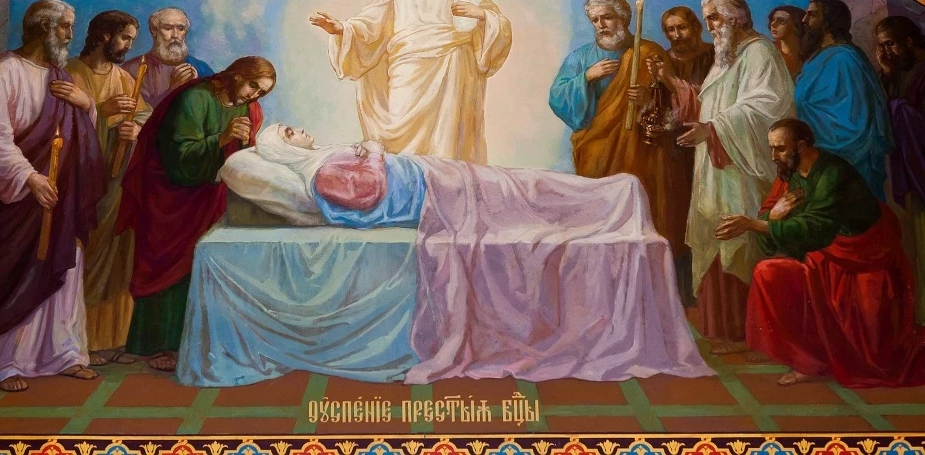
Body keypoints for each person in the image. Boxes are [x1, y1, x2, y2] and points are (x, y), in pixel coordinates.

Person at [243, 122, 713, 383]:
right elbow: (367, 194)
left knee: (527, 189)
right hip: (441, 195)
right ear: (284, 148)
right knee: (526, 195)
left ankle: (613, 195)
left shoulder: (326, 159)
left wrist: (370, 151)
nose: (299, 129)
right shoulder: (321, 172)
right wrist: (373, 151)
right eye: (289, 131)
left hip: (440, 181)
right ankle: (612, 196)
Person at [0, 0, 105, 392]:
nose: (70, 35)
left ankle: (63, 353)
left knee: (63, 268)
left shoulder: (60, 75)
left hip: (58, 195)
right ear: (43, 28)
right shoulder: (2, 71)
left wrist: (86, 104)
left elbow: (78, 132)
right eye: (65, 27)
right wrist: (28, 177)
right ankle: (1, 362)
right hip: (13, 200)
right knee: (9, 277)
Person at [717, 118, 925, 387]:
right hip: (822, 258)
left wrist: (754, 223)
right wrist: (774, 216)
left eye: (780, 148)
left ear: (801, 146)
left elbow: (815, 228)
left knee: (874, 356)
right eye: (771, 148)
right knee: (767, 272)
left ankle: (821, 360)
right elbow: (768, 240)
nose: (773, 156)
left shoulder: (832, 173)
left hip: (862, 260)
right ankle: (806, 359)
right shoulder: (788, 175)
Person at [648, 0, 794, 355]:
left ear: (736, 17)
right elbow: (707, 102)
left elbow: (766, 106)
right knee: (716, 234)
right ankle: (724, 330)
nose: (710, 26)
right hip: (716, 167)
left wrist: (713, 130)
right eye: (708, 18)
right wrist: (674, 88)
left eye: (714, 17)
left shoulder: (759, 52)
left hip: (742, 168)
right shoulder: (727, 57)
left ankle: (748, 332)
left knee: (739, 241)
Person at [115, 56, 276, 372]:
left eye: (261, 92)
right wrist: (223, 138)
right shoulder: (196, 98)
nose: (254, 95)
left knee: (203, 266)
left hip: (210, 198)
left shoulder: (249, 109)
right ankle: (155, 345)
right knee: (168, 268)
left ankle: (196, 341)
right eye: (253, 85)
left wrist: (245, 146)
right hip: (172, 198)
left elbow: (243, 156)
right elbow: (177, 156)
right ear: (237, 75)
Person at [309, 0, 512, 163]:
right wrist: (341, 28)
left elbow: (501, 23)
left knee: (446, 141)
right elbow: (370, 23)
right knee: (400, 135)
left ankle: (444, 183)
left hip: (452, 68)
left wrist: (481, 14)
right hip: (406, 69)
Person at [550, 0, 687, 292]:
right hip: (597, 149)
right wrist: (586, 77)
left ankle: (649, 284)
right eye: (595, 20)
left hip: (642, 151)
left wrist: (649, 98)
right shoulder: (580, 58)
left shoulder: (648, 52)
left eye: (607, 17)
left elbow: (675, 99)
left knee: (645, 212)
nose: (601, 24)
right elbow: (557, 97)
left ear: (624, 18)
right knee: (599, 218)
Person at [67, 11, 151, 365]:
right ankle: (79, 340)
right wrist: (101, 112)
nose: (129, 45)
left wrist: (136, 130)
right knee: (87, 256)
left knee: (118, 256)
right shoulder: (72, 74)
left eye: (131, 39)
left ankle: (112, 339)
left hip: (116, 183)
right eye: (125, 38)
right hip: (83, 184)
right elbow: (60, 129)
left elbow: (144, 116)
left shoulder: (123, 76)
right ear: (103, 36)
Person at [793, 0, 893, 201]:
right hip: (818, 150)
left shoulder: (845, 58)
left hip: (846, 156)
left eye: (812, 15)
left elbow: (857, 119)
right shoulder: (819, 56)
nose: (804, 20)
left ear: (828, 22)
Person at [660, 5, 715, 304]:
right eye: (670, 29)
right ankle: (681, 293)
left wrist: (671, 81)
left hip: (708, 143)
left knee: (706, 209)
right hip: (673, 148)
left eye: (681, 27)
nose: (676, 35)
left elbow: (708, 100)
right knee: (677, 213)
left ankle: (707, 290)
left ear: (695, 27)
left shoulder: (713, 55)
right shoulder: (664, 60)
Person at [876, 14, 925, 325]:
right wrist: (886, 73)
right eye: (880, 46)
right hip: (916, 175)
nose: (886, 52)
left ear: (909, 41)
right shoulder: (902, 74)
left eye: (890, 44)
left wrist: (901, 110)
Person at [122, 7, 213, 108]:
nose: (175, 35)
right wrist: (173, 89)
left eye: (181, 29)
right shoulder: (133, 69)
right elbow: (139, 112)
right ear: (154, 31)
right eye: (168, 28)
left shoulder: (201, 68)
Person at [767, 5, 805, 78]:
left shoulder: (808, 53)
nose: (773, 24)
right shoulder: (769, 50)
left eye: (782, 21)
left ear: (796, 26)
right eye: (772, 20)